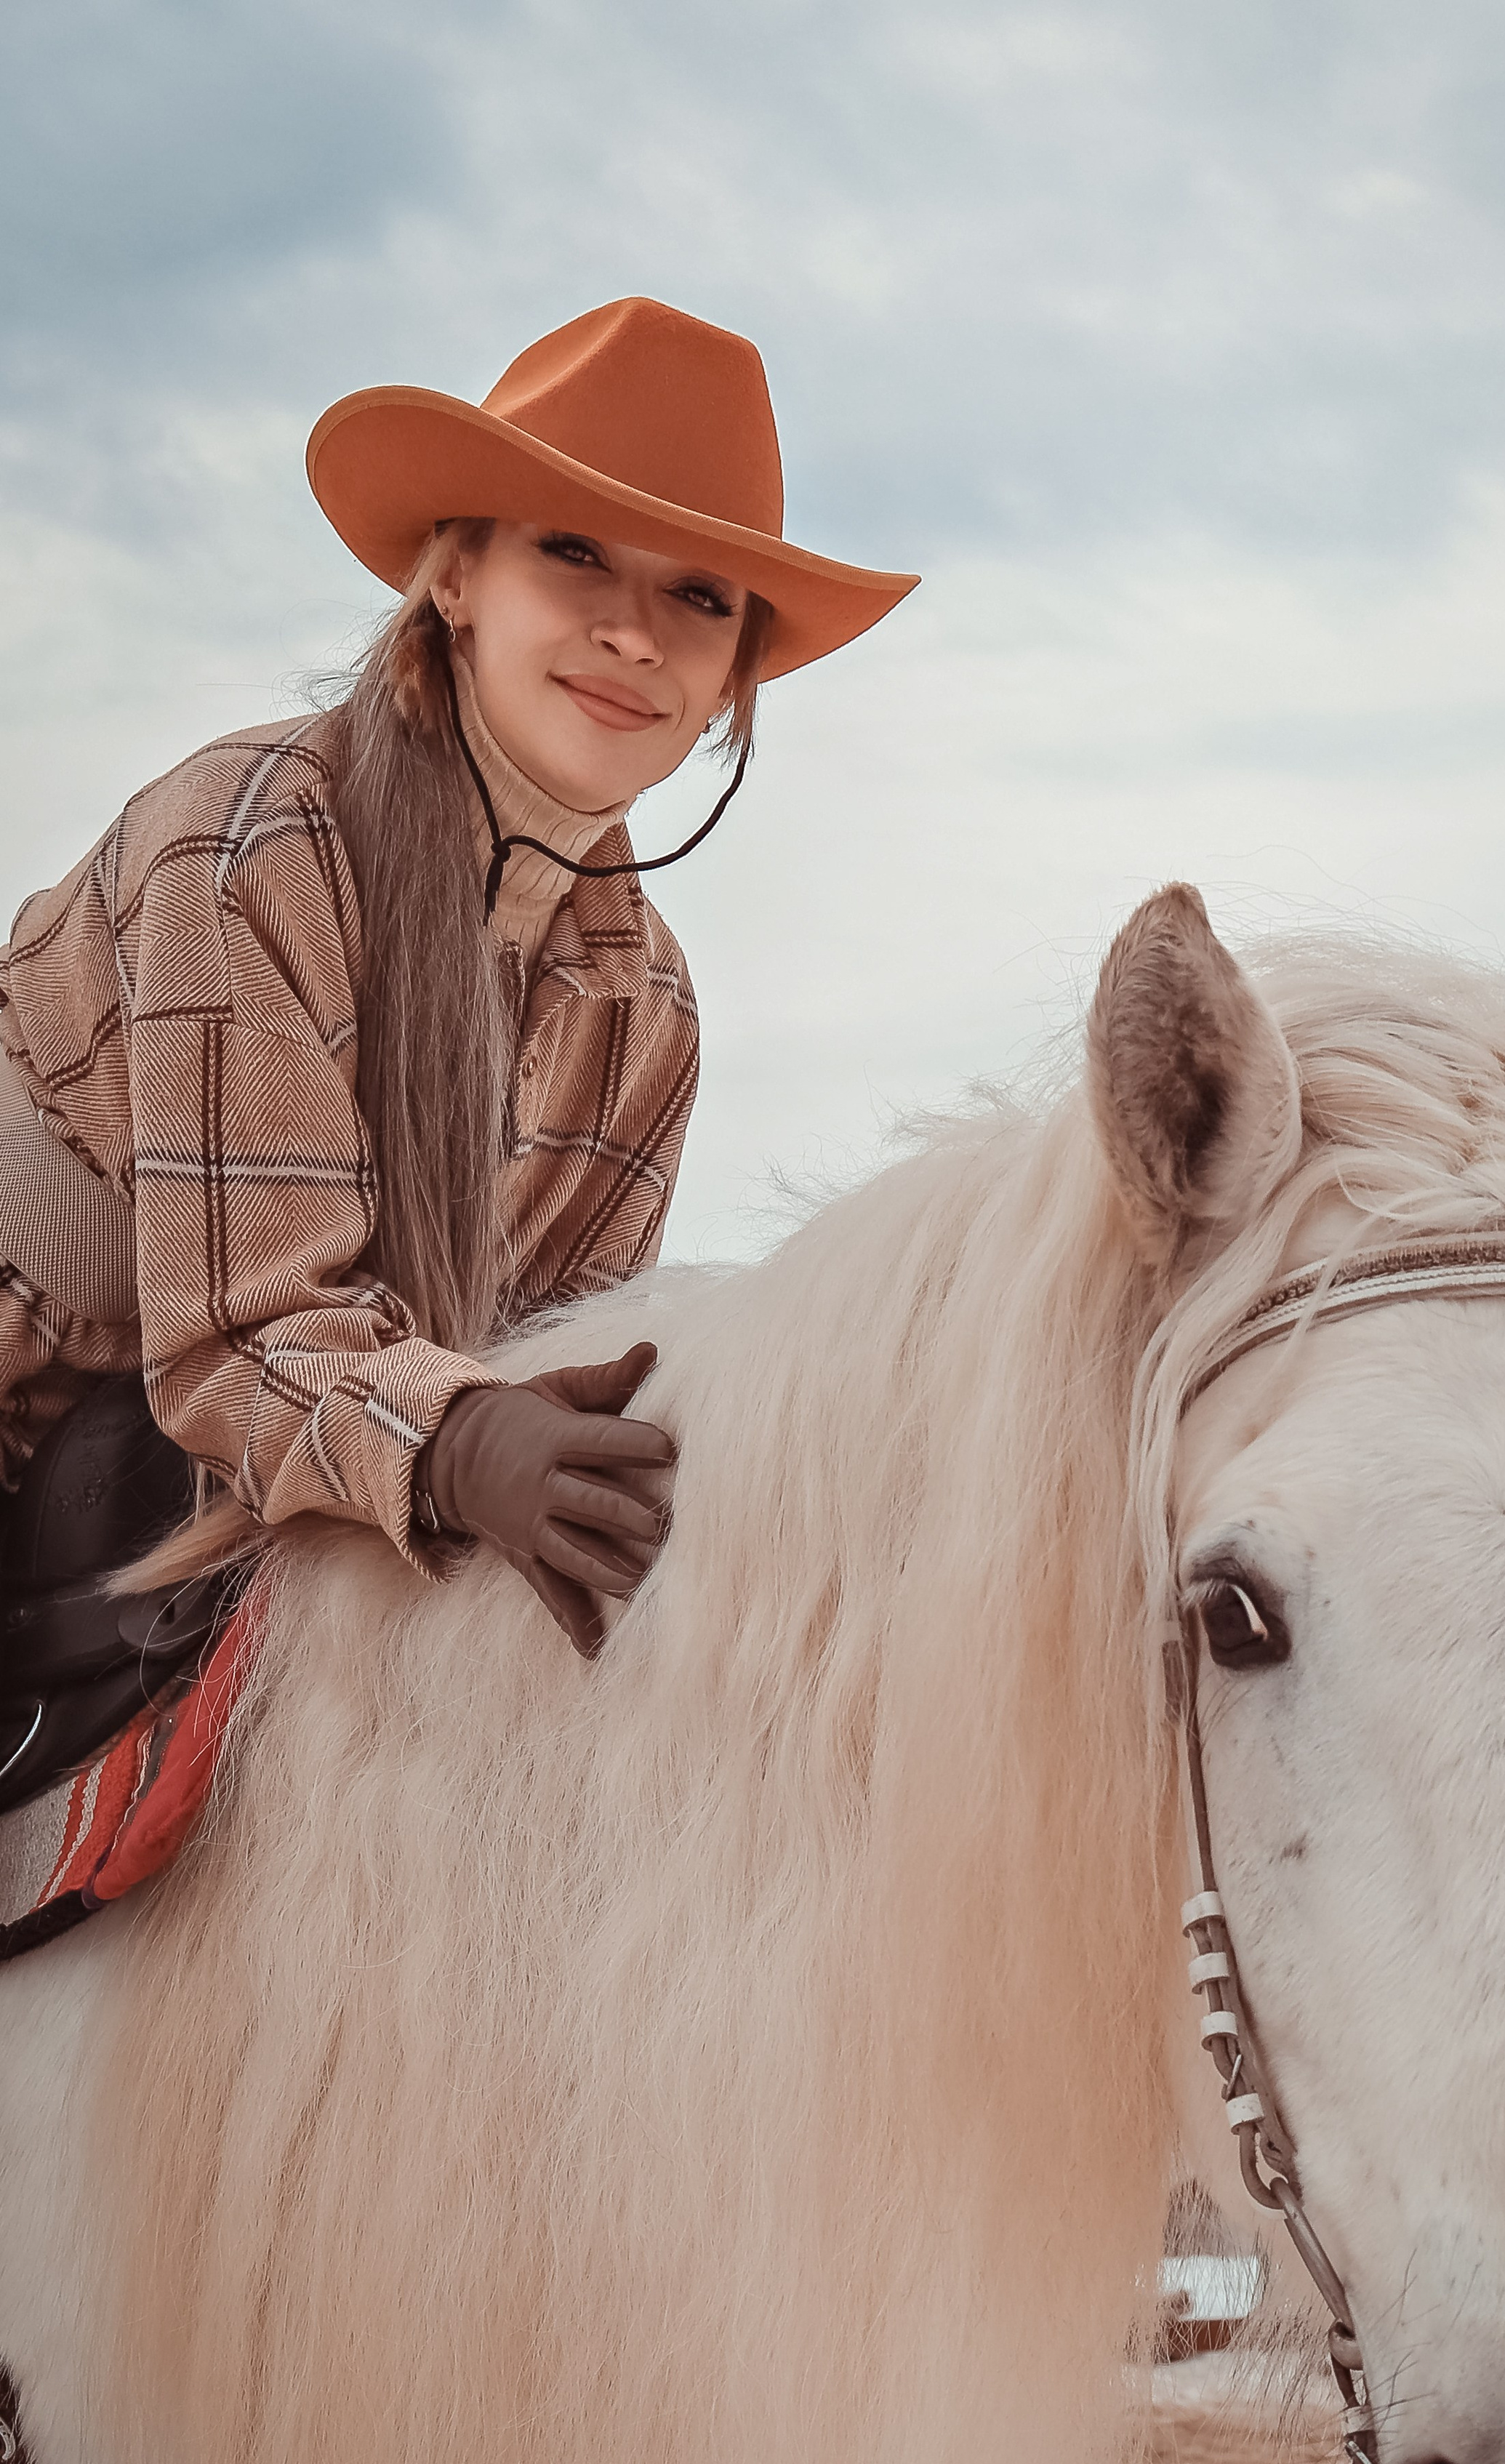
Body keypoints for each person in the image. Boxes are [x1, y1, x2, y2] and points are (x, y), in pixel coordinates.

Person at [0, 297, 917, 1664]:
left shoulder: (644, 1013)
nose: (633, 632)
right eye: (575, 554)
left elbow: (571, 1354)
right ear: (457, 578)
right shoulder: (248, 845)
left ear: (731, 681)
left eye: (698, 596)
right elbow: (238, 1337)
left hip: (220, 1476)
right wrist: (469, 1434)